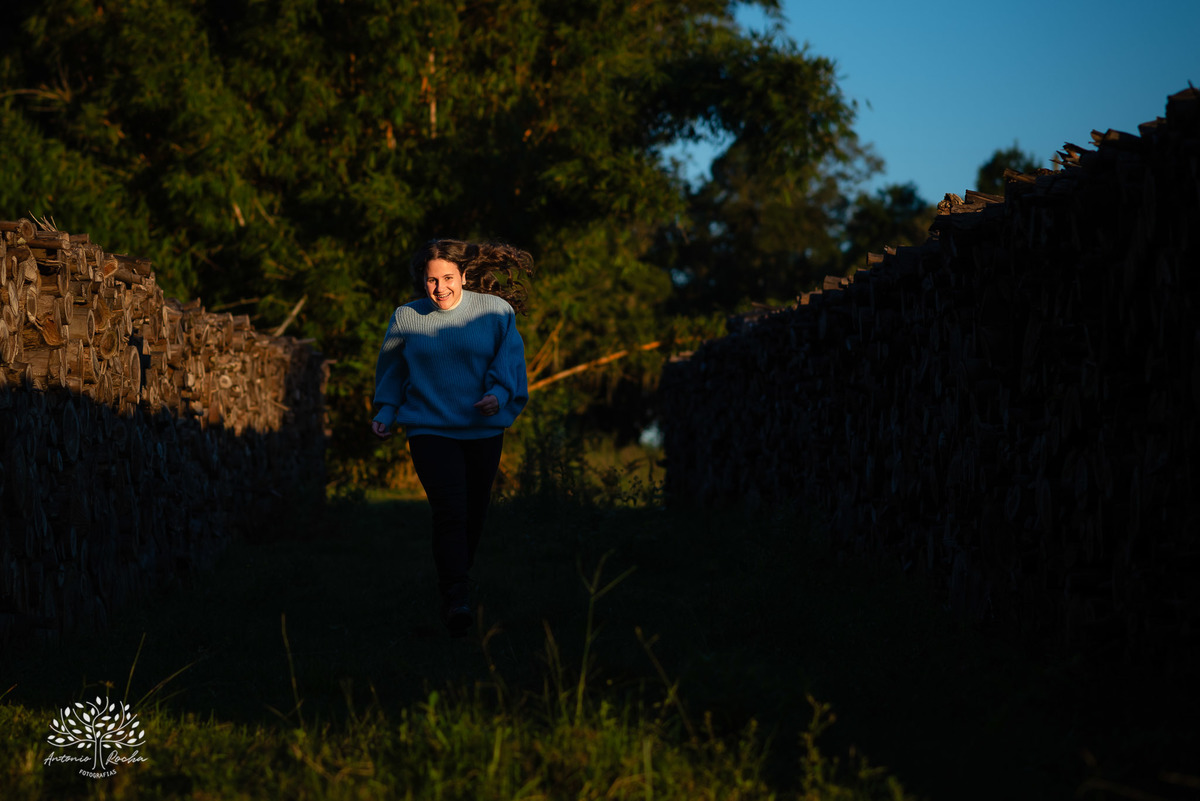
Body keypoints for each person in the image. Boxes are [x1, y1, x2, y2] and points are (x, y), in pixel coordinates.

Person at [370, 238, 532, 636]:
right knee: (450, 510)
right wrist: (387, 410)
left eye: (447, 278)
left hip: (482, 429)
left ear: (463, 276)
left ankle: (459, 574)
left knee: (475, 511)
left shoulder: (495, 312)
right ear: (421, 282)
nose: (440, 288)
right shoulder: (407, 317)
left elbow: (508, 361)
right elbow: (392, 369)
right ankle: (456, 598)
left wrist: (497, 394)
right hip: (429, 427)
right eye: (431, 281)